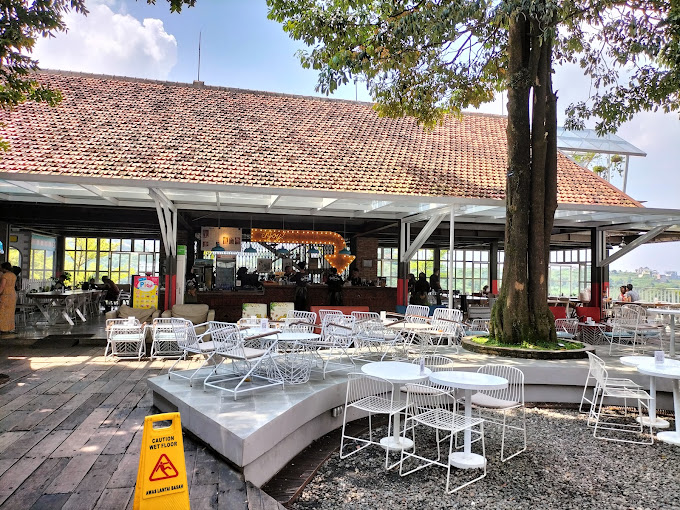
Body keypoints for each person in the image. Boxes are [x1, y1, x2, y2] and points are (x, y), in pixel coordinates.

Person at [0, 262, 17, 334]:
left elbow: (2, 286)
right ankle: (10, 327)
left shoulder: (5, 276)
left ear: (4, 268)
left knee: (3, 311)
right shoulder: (13, 275)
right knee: (10, 312)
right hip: (12, 294)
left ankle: (3, 328)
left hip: (6, 295)